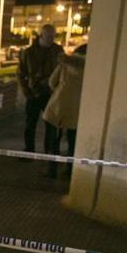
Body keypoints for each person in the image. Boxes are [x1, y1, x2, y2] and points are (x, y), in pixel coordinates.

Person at [42, 44, 87, 177]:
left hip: (58, 106)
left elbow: (51, 82)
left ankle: (51, 169)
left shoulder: (65, 64)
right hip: (77, 109)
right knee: (73, 142)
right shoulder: (91, 67)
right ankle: (69, 171)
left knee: (53, 140)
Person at [18, 24, 64, 154]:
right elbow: (21, 74)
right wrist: (26, 91)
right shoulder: (28, 53)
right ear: (41, 36)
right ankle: (29, 151)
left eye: (53, 36)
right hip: (34, 93)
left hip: (51, 94)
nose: (51, 39)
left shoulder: (58, 51)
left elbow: (63, 71)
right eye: (49, 36)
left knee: (51, 125)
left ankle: (48, 152)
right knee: (30, 124)